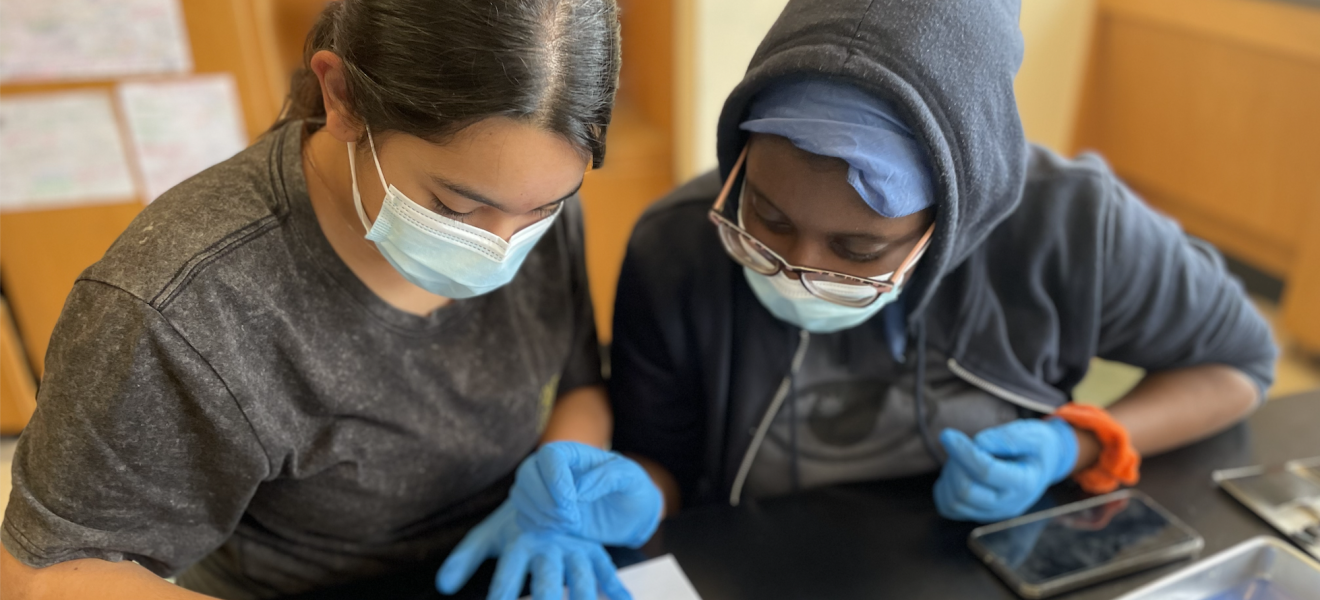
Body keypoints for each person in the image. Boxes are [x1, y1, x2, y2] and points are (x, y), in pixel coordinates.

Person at [0, 1, 662, 599]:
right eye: (457, 207)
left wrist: (557, 497)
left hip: (500, 563)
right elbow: (40, 572)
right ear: (342, 97)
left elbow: (577, 383)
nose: (502, 246)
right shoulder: (184, 307)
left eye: (545, 209)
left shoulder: (521, 199)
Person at [609, 0, 1277, 524]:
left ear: (956, 215)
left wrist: (1072, 446)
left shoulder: (1073, 228)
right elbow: (659, 462)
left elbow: (1239, 363)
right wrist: (626, 495)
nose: (796, 270)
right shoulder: (678, 250)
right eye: (768, 218)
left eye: (857, 251)